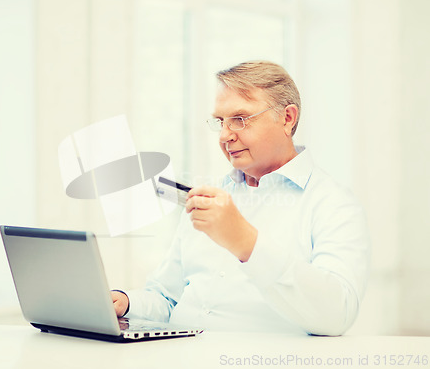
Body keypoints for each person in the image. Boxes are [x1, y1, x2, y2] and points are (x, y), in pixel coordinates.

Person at [111, 60, 370, 336]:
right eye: (221, 121)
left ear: (287, 118)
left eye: (240, 119)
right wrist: (124, 303)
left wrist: (246, 242)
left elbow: (337, 315)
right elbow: (167, 297)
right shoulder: (211, 197)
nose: (224, 135)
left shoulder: (334, 204)